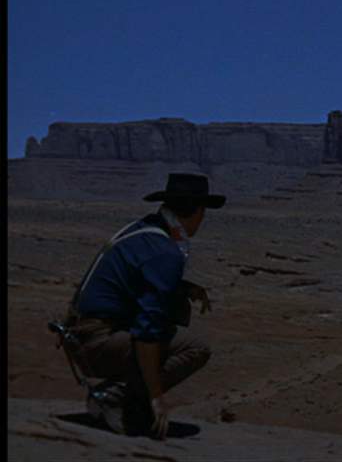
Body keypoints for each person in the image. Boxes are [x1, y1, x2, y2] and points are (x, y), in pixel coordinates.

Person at [63, 172, 226, 439]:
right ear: (198, 211)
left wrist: (183, 288)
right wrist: (155, 396)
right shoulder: (165, 251)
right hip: (95, 343)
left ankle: (122, 392)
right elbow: (147, 331)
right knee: (196, 348)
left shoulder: (143, 229)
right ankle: (115, 396)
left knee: (174, 305)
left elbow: (137, 280)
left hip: (80, 334)